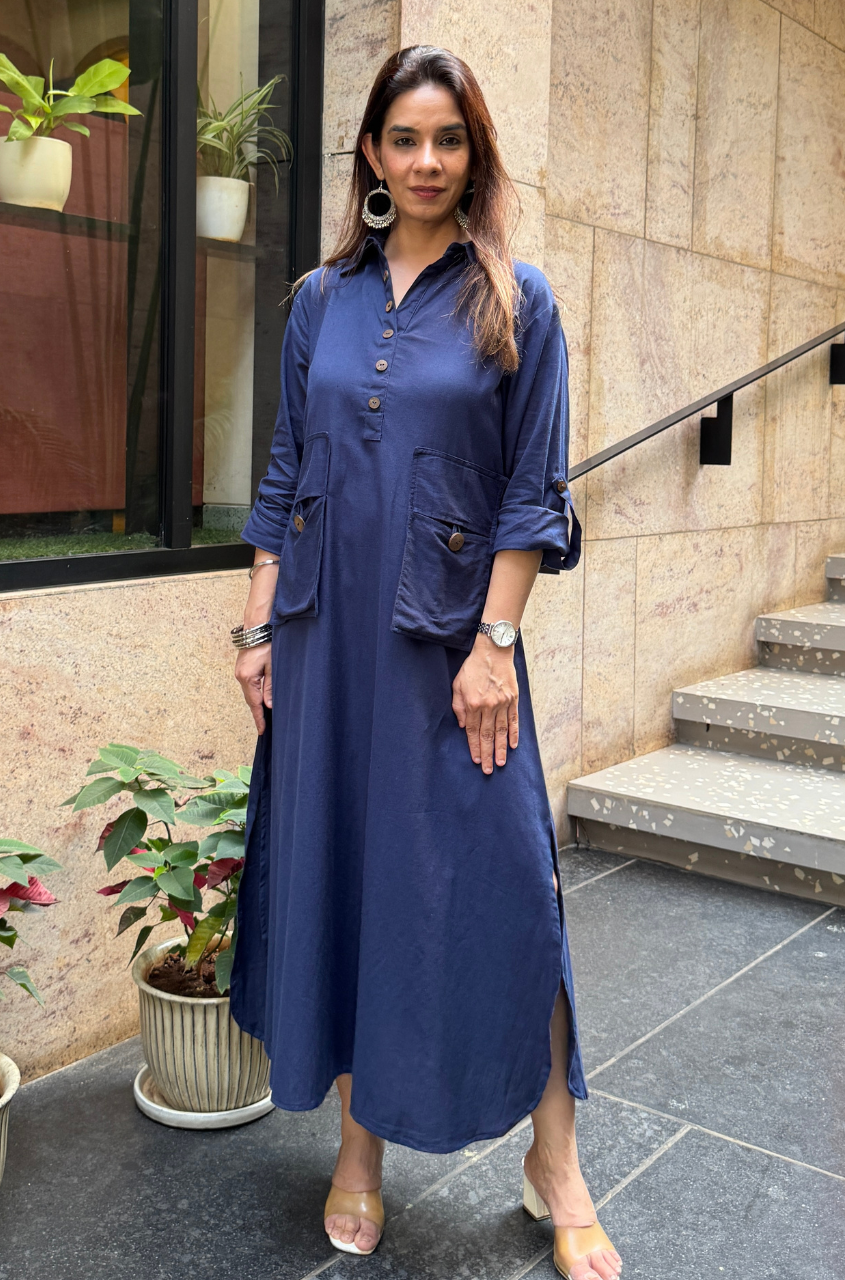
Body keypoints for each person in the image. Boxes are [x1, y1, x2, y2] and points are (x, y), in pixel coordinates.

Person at [230, 44, 622, 1280]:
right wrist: (257, 623)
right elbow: (286, 467)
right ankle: (358, 1149)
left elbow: (532, 490)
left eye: (447, 138)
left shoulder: (518, 300)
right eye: (404, 137)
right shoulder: (319, 299)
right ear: (370, 152)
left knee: (508, 887)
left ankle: (555, 1161)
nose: (426, 160)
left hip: (453, 653)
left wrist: (494, 642)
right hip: (323, 637)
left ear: (473, 151)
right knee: (353, 880)